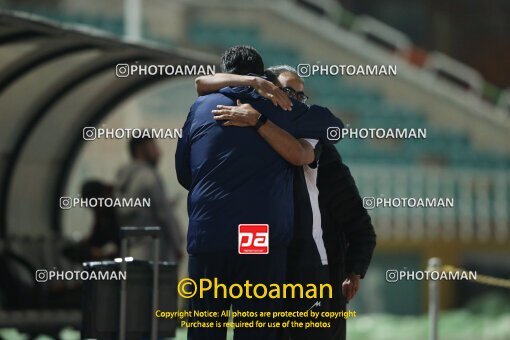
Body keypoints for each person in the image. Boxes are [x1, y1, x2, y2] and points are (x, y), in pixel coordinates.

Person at [175, 45, 343, 340]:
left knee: (203, 331)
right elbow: (335, 128)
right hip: (256, 236)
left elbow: (183, 173)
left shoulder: (200, 108)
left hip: (207, 233)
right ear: (263, 74)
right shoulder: (278, 107)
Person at [199, 65, 376, 339]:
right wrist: (254, 83)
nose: (294, 100)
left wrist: (354, 270)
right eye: (287, 91)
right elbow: (202, 82)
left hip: (311, 267)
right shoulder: (248, 132)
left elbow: (359, 223)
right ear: (269, 91)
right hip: (268, 263)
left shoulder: (312, 139)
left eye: (300, 95)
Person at [115, 136, 183, 262]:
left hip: (133, 251)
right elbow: (164, 215)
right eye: (154, 147)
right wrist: (177, 244)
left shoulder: (125, 178)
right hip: (154, 255)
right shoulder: (148, 176)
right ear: (140, 150)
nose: (159, 153)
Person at [62, 180, 119, 262]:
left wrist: (106, 255)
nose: (94, 208)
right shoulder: (103, 211)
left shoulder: (117, 210)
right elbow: (99, 236)